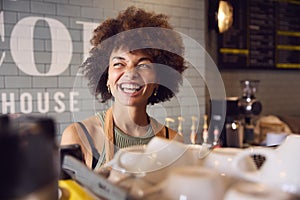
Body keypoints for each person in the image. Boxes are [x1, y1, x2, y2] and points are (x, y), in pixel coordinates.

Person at [60, 6, 188, 171]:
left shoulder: (173, 141)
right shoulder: (79, 136)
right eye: (119, 63)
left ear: (158, 80)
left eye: (143, 65)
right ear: (107, 77)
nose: (130, 74)